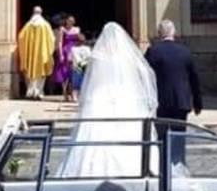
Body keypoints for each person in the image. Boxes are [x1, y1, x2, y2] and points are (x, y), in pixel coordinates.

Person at [57, 22, 158, 177]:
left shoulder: (98, 56)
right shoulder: (126, 58)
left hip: (100, 96)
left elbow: (92, 81)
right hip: (124, 96)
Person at [145, 20, 203, 167]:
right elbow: (194, 79)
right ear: (174, 33)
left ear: (159, 34)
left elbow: (145, 76)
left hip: (161, 102)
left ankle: (164, 169)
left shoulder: (153, 51)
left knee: (162, 138)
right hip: (181, 101)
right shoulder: (185, 51)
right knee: (179, 137)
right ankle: (178, 165)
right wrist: (197, 102)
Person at [17, 7, 56, 100]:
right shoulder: (45, 25)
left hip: (30, 55)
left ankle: (30, 92)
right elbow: (52, 39)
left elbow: (21, 37)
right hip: (42, 54)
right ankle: (38, 92)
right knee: (41, 73)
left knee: (30, 72)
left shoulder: (28, 25)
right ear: (41, 13)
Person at [52, 14, 85, 102]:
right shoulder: (62, 29)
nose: (70, 22)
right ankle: (65, 94)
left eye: (72, 21)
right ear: (66, 21)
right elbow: (59, 42)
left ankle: (72, 93)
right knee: (63, 74)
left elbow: (80, 41)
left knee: (73, 73)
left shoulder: (77, 29)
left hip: (74, 52)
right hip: (65, 52)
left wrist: (81, 53)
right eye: (68, 20)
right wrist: (61, 54)